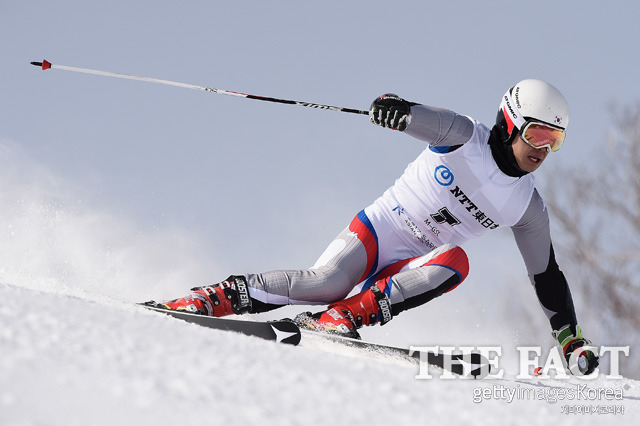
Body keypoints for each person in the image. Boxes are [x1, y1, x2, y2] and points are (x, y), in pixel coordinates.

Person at [149, 79, 599, 375]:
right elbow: (417, 115)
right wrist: (394, 109)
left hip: (413, 264)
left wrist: (568, 337)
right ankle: (207, 299)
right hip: (378, 231)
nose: (544, 149)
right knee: (324, 282)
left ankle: (340, 319)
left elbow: (546, 275)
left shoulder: (527, 206)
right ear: (511, 122)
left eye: (555, 141)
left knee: (455, 262)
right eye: (539, 134)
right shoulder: (464, 135)